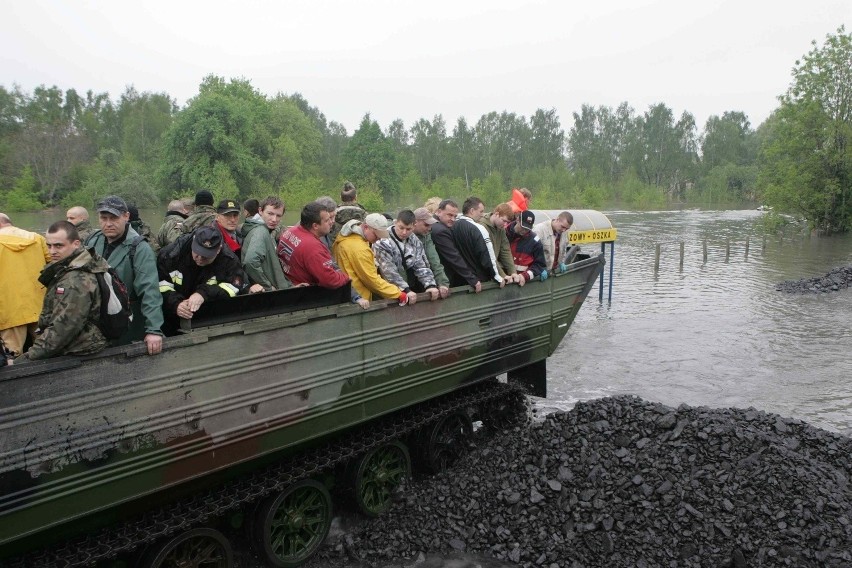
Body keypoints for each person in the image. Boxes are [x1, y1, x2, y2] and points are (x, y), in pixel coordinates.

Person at [17, 221, 109, 361]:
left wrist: (27, 358)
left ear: (76, 244)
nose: (52, 251)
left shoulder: (75, 280)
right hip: (76, 343)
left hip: (79, 349)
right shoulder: (70, 267)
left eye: (59, 245)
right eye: (49, 245)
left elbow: (64, 328)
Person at [84, 196, 164, 355]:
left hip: (127, 320)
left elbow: (150, 291)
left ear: (126, 217)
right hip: (97, 319)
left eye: (113, 218)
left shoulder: (140, 248)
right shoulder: (94, 240)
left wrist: (154, 330)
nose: (108, 223)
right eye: (103, 218)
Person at [157, 226, 261, 327]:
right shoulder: (170, 255)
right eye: (197, 252)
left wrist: (204, 293)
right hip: (169, 315)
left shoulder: (228, 260)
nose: (200, 258)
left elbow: (235, 286)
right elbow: (160, 285)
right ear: (193, 241)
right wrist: (176, 304)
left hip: (208, 317)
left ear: (219, 249)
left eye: (207, 255)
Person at [276, 202, 368, 309]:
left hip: (290, 284)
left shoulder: (290, 231)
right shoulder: (313, 248)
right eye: (327, 220)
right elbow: (330, 280)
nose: (331, 222)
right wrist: (346, 277)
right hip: (305, 297)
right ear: (315, 225)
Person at [333, 214, 415, 305]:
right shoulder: (360, 249)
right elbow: (371, 280)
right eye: (376, 235)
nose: (378, 238)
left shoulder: (345, 236)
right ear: (366, 227)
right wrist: (398, 294)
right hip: (359, 300)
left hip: (347, 295)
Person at [0, 213, 51, 357]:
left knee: (11, 355)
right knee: (46, 350)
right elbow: (53, 264)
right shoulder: (37, 238)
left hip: (9, 311)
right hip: (40, 307)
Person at [374, 209, 440, 300]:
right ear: (396, 223)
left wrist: (430, 285)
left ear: (414, 226)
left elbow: (421, 264)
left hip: (407, 282)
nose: (404, 232)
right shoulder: (383, 241)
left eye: (408, 229)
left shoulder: (414, 240)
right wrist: (406, 290)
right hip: (386, 288)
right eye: (401, 228)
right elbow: (389, 271)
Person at [430, 199, 482, 293]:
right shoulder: (440, 230)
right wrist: (471, 278)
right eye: (449, 215)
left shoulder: (440, 226)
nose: (453, 219)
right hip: (441, 280)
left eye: (455, 216)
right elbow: (453, 257)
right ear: (438, 212)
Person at [241, 196, 291, 291]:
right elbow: (250, 262)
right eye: (270, 214)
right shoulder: (261, 232)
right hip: (271, 294)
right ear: (260, 211)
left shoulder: (262, 229)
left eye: (278, 215)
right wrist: (267, 286)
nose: (274, 219)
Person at [452, 197, 504, 288]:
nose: (482, 215)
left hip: (458, 281)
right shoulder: (479, 228)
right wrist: (497, 276)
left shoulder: (452, 226)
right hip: (478, 281)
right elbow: (487, 256)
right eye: (481, 211)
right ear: (472, 211)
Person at [411, 207, 450, 298]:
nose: (429, 228)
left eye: (430, 225)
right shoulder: (404, 235)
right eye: (426, 225)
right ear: (415, 222)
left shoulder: (426, 235)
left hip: (423, 277)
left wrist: (442, 282)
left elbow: (434, 259)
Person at [479, 203, 521, 284]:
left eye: (507, 222)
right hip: (483, 273)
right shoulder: (482, 227)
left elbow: (505, 250)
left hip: (495, 271)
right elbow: (488, 255)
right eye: (504, 221)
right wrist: (503, 275)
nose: (505, 224)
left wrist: (513, 272)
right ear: (497, 214)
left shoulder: (501, 229)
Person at [507, 210, 547, 283]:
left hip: (521, 283)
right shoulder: (505, 233)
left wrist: (525, 276)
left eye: (527, 228)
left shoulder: (535, 241)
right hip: (504, 279)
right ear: (518, 220)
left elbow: (539, 265)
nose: (524, 231)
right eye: (523, 227)